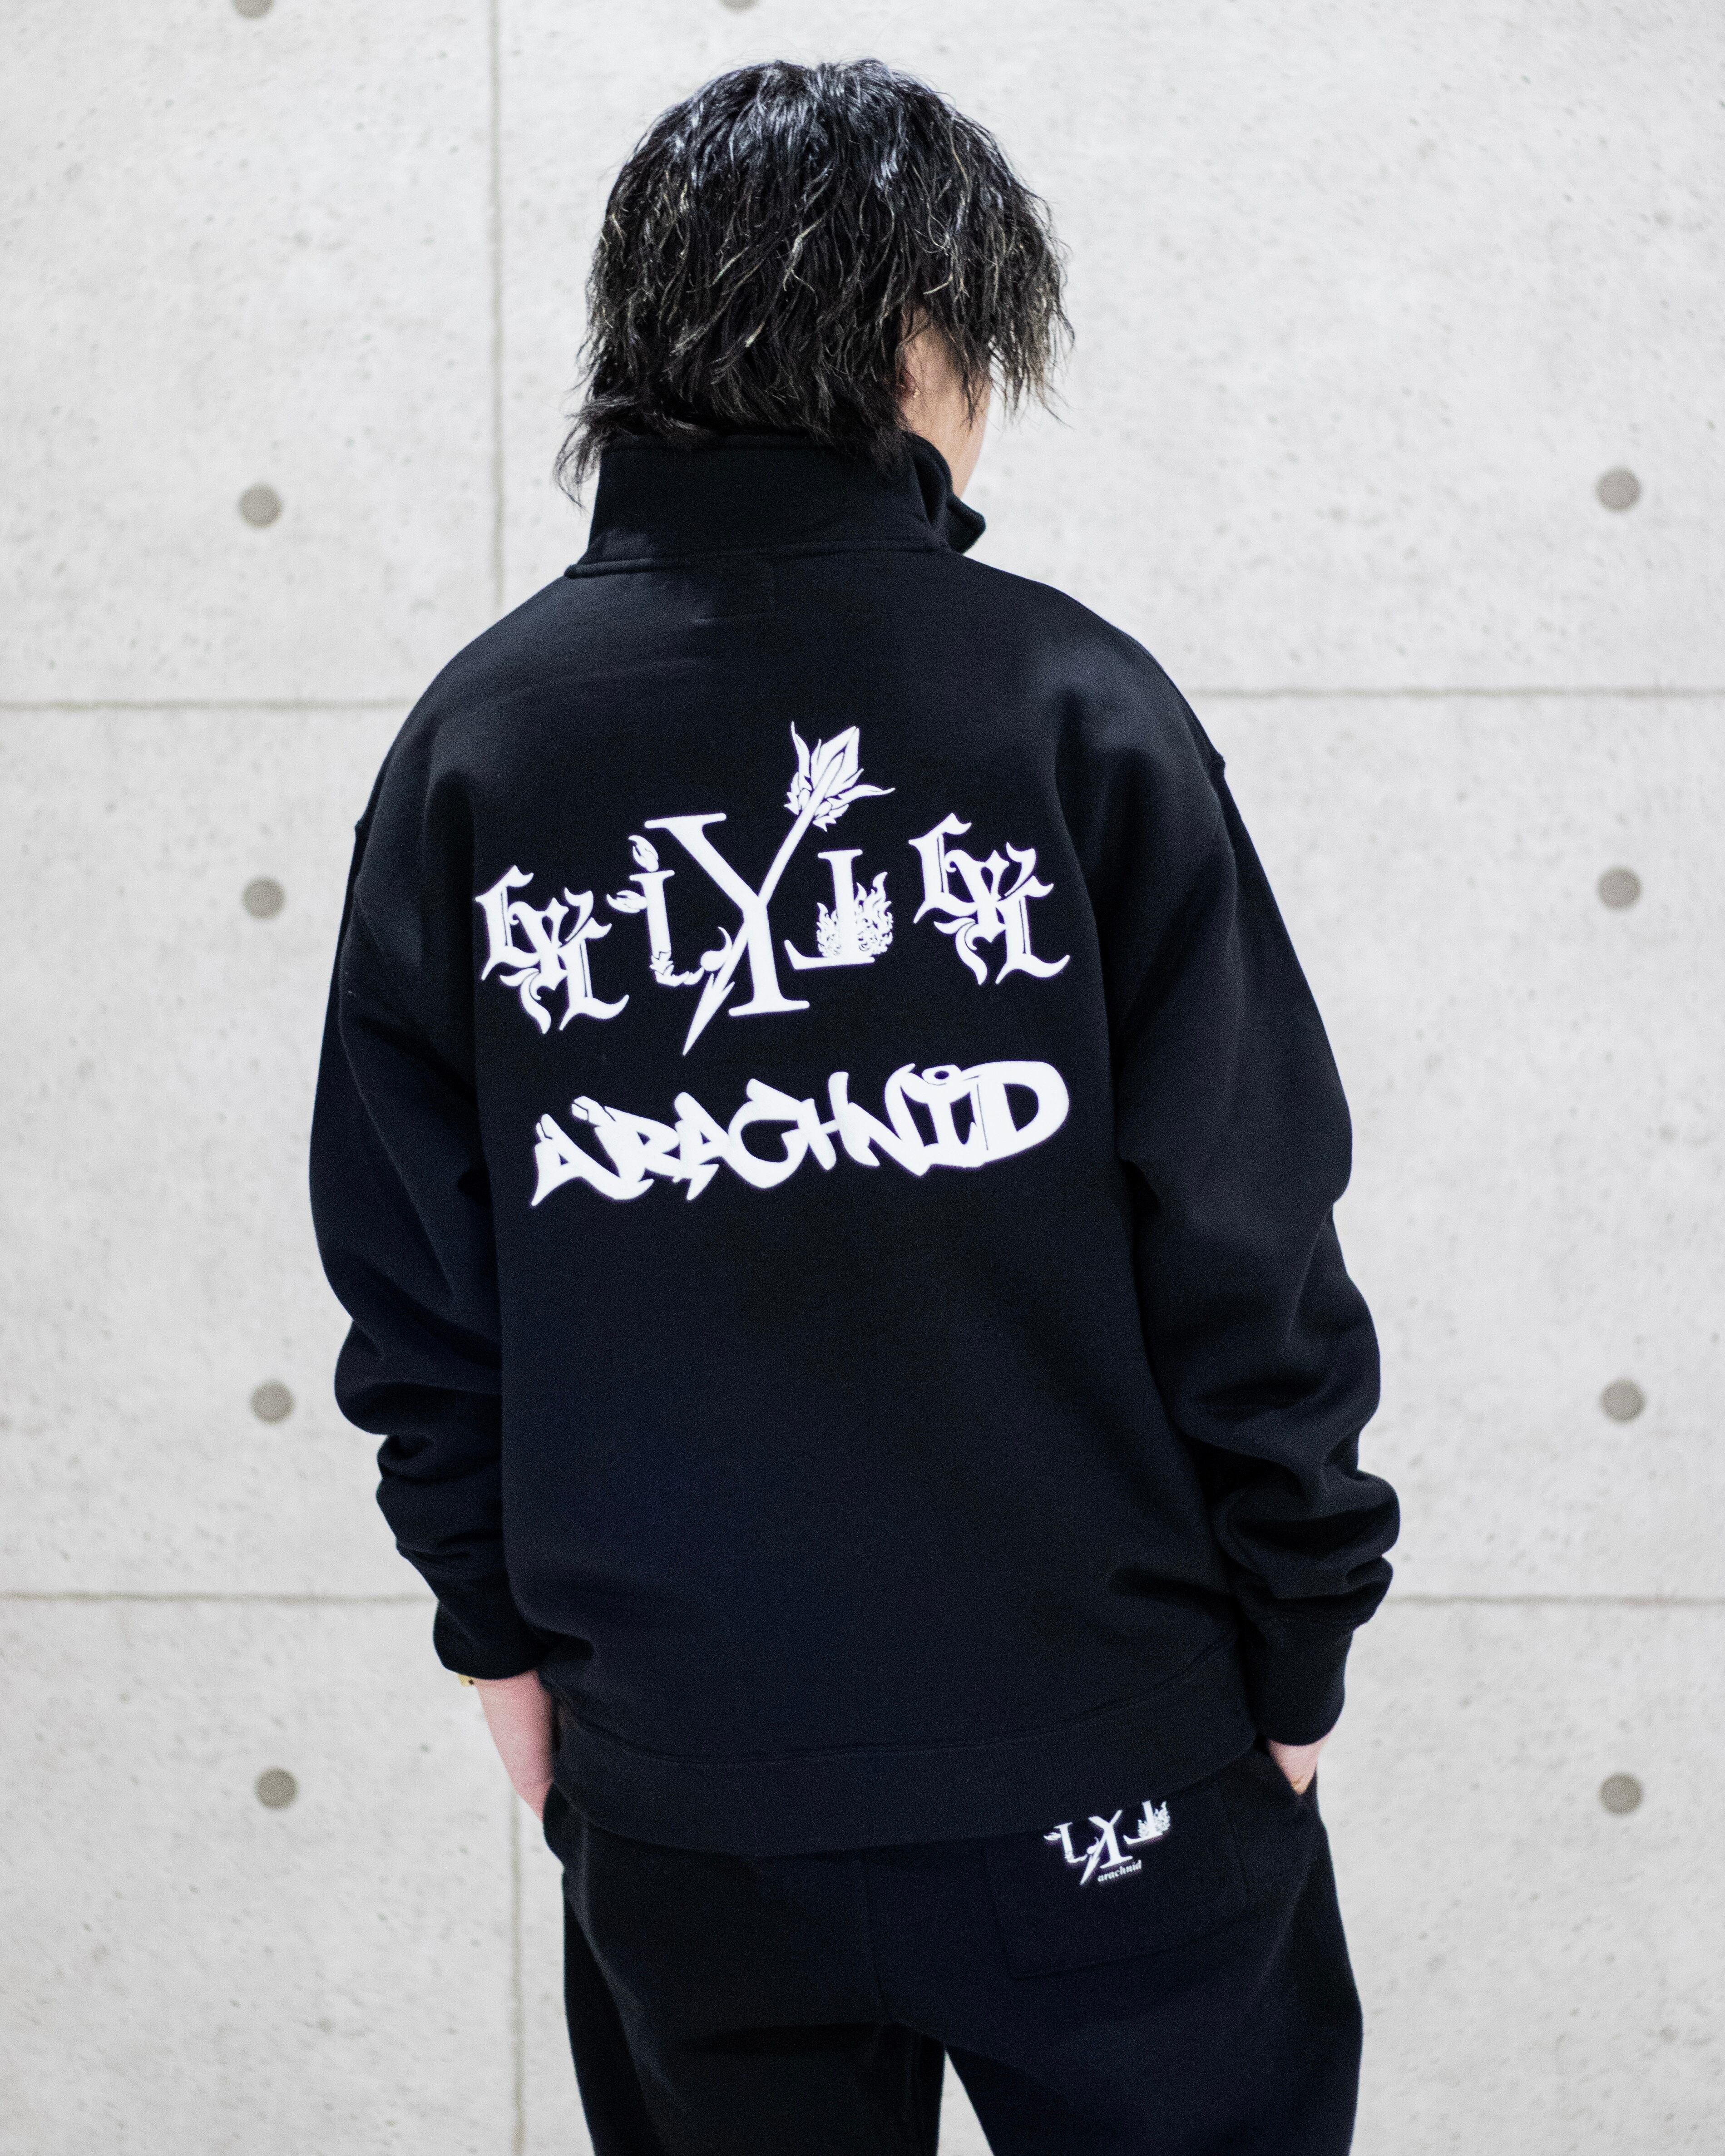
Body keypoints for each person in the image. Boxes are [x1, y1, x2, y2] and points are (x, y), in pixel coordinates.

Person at [310, 56, 1398, 2156]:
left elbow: (413, 1279)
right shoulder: (1067, 705)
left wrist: (499, 1641)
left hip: (686, 1792)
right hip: (1112, 1761)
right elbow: (1245, 1230)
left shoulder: (481, 747)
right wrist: (1296, 1644)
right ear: (918, 336)